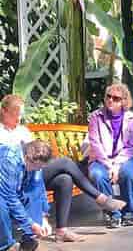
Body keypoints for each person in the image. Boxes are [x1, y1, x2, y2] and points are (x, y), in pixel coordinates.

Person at [0, 94, 125, 230]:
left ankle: (62, 230)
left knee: (64, 179)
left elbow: (35, 153)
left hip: (33, 174)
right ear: (4, 111)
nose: (19, 118)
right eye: (15, 114)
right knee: (65, 163)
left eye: (21, 114)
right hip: (13, 178)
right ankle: (100, 198)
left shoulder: (22, 131)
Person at [87, 83, 133, 228]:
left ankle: (128, 212)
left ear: (124, 101)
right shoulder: (95, 117)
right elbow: (95, 143)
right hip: (101, 158)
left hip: (123, 158)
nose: (111, 100)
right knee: (98, 175)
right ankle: (112, 214)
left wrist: (116, 166)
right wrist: (109, 165)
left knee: (128, 174)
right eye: (108, 97)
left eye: (116, 98)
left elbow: (131, 147)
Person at [0, 139, 56, 251]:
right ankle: (6, 248)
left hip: (12, 188)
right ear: (27, 158)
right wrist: (30, 224)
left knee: (33, 191)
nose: (38, 170)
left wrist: (43, 217)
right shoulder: (9, 160)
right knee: (1, 203)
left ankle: (29, 243)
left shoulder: (35, 163)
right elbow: (9, 197)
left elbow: (39, 189)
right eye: (37, 167)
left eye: (41, 167)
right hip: (4, 191)